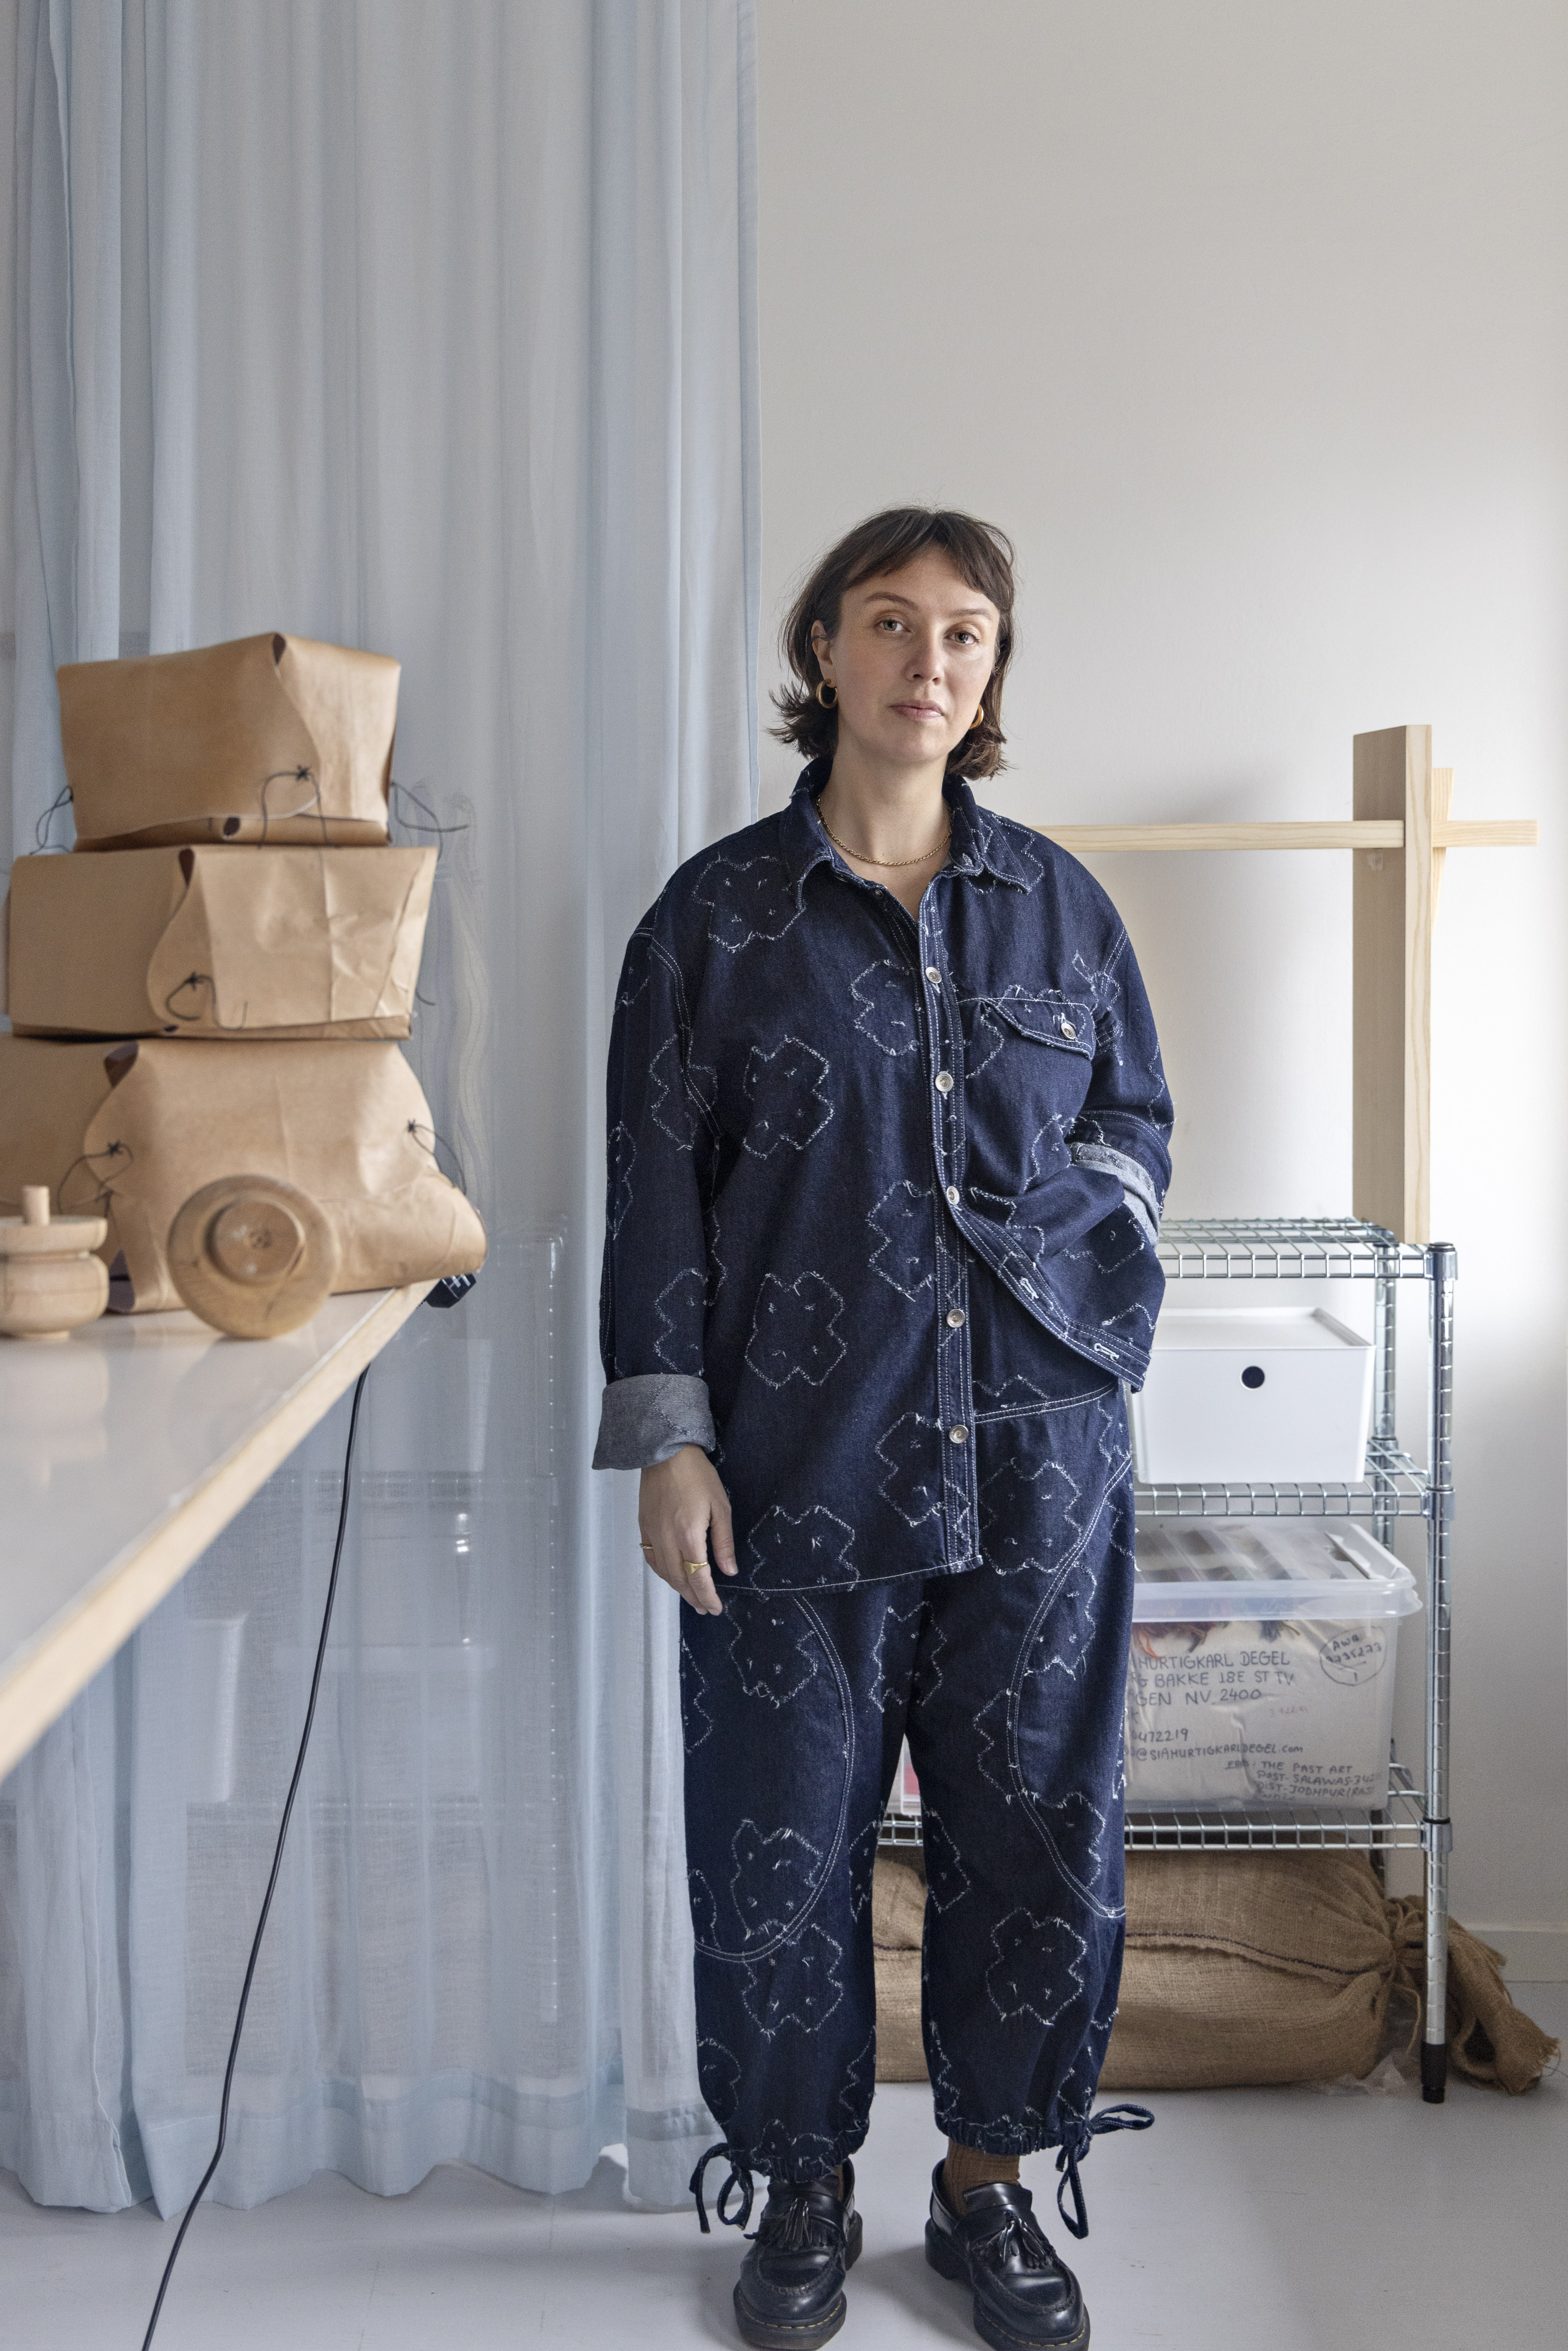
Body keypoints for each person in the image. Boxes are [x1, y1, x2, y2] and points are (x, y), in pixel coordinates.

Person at [593, 508, 1171, 2351]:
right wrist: (670, 1438)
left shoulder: (1060, 909)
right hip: (795, 1467)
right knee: (777, 1845)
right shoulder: (713, 921)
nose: (929, 660)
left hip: (1038, 1465)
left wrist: (1084, 1293)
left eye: (965, 632)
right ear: (824, 651)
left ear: (991, 673)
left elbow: (1134, 1133)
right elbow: (654, 1199)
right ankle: (798, 2189)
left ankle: (988, 2188)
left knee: (1037, 1835)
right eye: (890, 621)